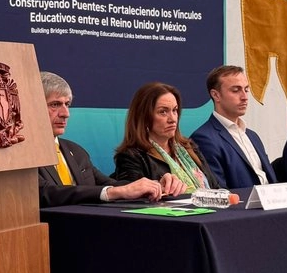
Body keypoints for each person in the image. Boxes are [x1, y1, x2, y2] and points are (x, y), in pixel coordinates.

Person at [38, 72, 185, 206]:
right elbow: (44, 193)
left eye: (67, 104)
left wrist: (155, 186)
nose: (66, 113)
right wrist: (111, 193)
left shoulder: (76, 152)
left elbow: (111, 185)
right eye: (55, 104)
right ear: (33, 105)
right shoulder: (22, 156)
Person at [113, 82, 221, 190]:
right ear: (144, 118)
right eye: (163, 112)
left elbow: (215, 187)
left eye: (174, 110)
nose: (172, 119)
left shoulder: (189, 147)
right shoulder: (131, 157)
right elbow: (133, 197)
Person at [189, 65, 276, 188]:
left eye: (246, 90)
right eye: (236, 90)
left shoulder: (252, 136)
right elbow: (218, 190)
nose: (244, 97)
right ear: (216, 95)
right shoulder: (204, 138)